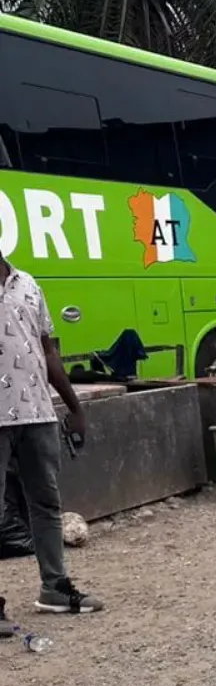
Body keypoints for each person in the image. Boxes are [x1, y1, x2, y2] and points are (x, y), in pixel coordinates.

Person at [0, 247, 103, 629]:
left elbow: (48, 352)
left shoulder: (28, 284)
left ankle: (55, 588)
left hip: (38, 414)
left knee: (45, 504)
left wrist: (74, 408)